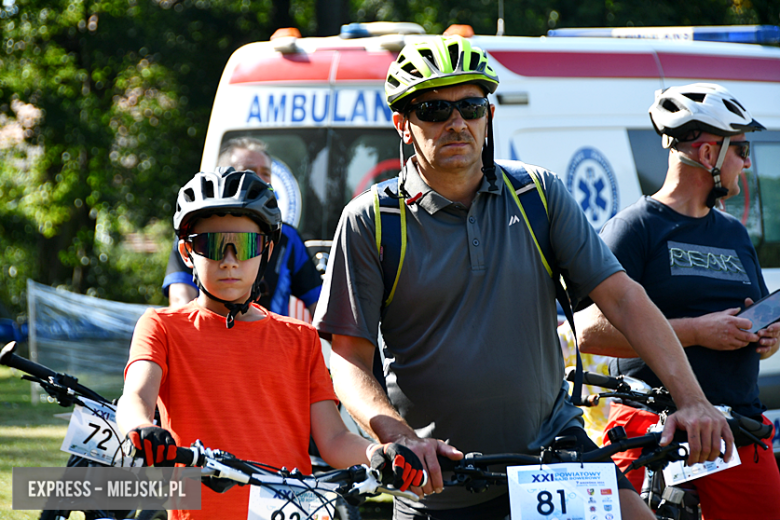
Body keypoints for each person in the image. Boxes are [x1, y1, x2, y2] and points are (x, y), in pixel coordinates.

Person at [312, 35, 733, 520]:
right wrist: (397, 437)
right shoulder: (373, 220)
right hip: (439, 481)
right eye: (433, 110)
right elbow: (348, 357)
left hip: (552, 454)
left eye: (471, 106)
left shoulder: (537, 194)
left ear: (489, 115)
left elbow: (623, 299)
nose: (457, 122)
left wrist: (694, 402)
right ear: (403, 125)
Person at [117, 167, 424, 520]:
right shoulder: (161, 327)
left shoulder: (300, 338)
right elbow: (135, 396)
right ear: (187, 252)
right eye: (212, 245)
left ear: (266, 250)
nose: (229, 260)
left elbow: (334, 440)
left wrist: (376, 453)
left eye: (245, 245)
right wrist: (142, 427)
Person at [575, 83, 780, 519]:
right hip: (651, 432)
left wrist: (767, 336)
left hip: (736, 430)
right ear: (708, 155)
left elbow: (758, 320)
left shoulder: (733, 232)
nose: (747, 161)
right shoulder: (634, 227)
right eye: (740, 148)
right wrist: (697, 331)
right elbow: (585, 330)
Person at [163, 137, 321, 317]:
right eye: (250, 171)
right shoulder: (195, 233)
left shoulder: (288, 237)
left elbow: (320, 306)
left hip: (271, 341)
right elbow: (180, 298)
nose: (260, 179)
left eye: (266, 173)